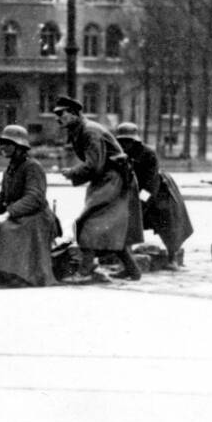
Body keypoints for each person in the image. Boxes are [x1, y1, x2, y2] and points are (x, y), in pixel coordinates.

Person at [53, 97, 141, 283]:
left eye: (61, 113)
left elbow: (94, 165)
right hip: (109, 179)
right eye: (56, 114)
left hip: (113, 179)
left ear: (74, 113)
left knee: (89, 222)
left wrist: (73, 172)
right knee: (110, 226)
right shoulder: (80, 130)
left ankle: (86, 271)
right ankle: (133, 271)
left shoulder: (90, 131)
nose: (58, 118)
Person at [0, 124, 57, 287]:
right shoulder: (10, 170)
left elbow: (35, 197)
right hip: (21, 215)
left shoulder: (33, 167)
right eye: (2, 143)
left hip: (37, 217)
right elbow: (2, 202)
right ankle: (6, 271)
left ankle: (20, 274)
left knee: (8, 230)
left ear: (19, 147)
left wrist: (11, 210)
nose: (3, 147)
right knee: (5, 228)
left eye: (7, 144)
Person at [115, 122, 193, 266]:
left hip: (157, 192)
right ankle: (126, 257)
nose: (125, 145)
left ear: (135, 141)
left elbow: (151, 184)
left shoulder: (148, 154)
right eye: (121, 141)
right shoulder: (118, 154)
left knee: (166, 220)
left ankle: (172, 257)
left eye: (128, 141)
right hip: (133, 191)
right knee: (123, 220)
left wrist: (141, 202)